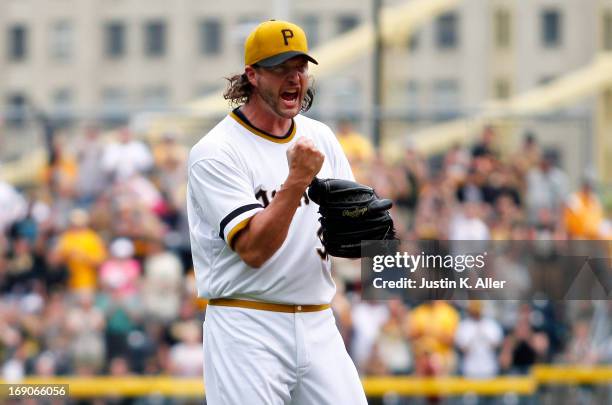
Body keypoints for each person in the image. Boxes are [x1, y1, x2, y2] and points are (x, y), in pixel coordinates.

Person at [186, 19, 367, 405]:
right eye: (280, 68)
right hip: (247, 324)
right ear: (252, 75)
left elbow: (351, 238)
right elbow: (254, 249)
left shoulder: (321, 137)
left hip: (319, 319)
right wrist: (298, 179)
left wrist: (366, 237)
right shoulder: (216, 151)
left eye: (299, 67)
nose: (294, 78)